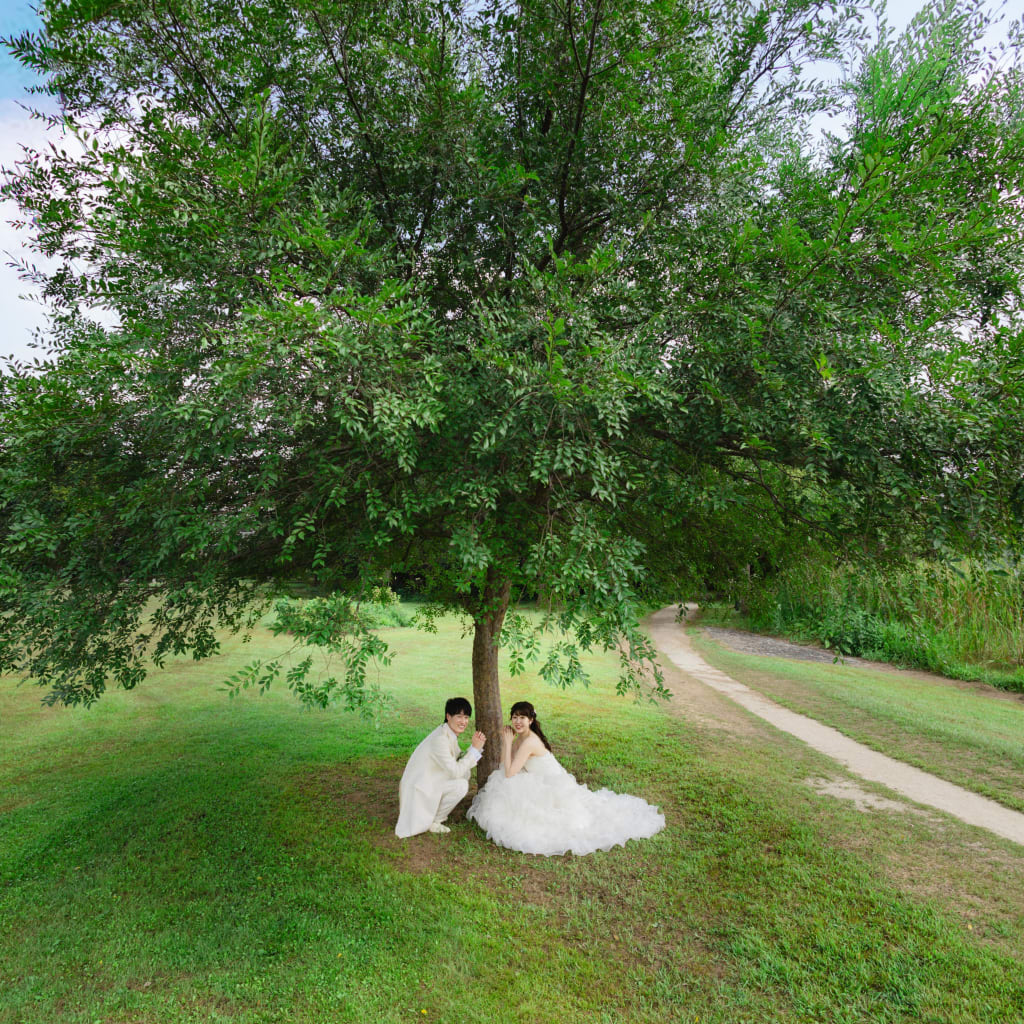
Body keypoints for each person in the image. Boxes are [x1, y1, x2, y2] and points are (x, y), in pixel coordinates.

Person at [467, 701, 665, 856]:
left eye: (522, 718)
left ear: (531, 720)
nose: (518, 721)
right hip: (540, 781)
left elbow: (510, 773)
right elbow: (505, 765)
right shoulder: (521, 738)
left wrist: (508, 742)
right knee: (506, 784)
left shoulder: (529, 742)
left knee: (514, 787)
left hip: (555, 786)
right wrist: (507, 743)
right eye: (515, 717)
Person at [395, 697, 486, 838]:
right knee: (461, 785)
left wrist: (475, 749)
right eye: (459, 716)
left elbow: (458, 760)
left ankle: (435, 818)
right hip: (420, 787)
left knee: (463, 777)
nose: (463, 722)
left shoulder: (447, 733)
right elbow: (456, 771)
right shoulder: (440, 739)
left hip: (430, 780)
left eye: (466, 717)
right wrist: (474, 749)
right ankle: (435, 821)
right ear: (448, 716)